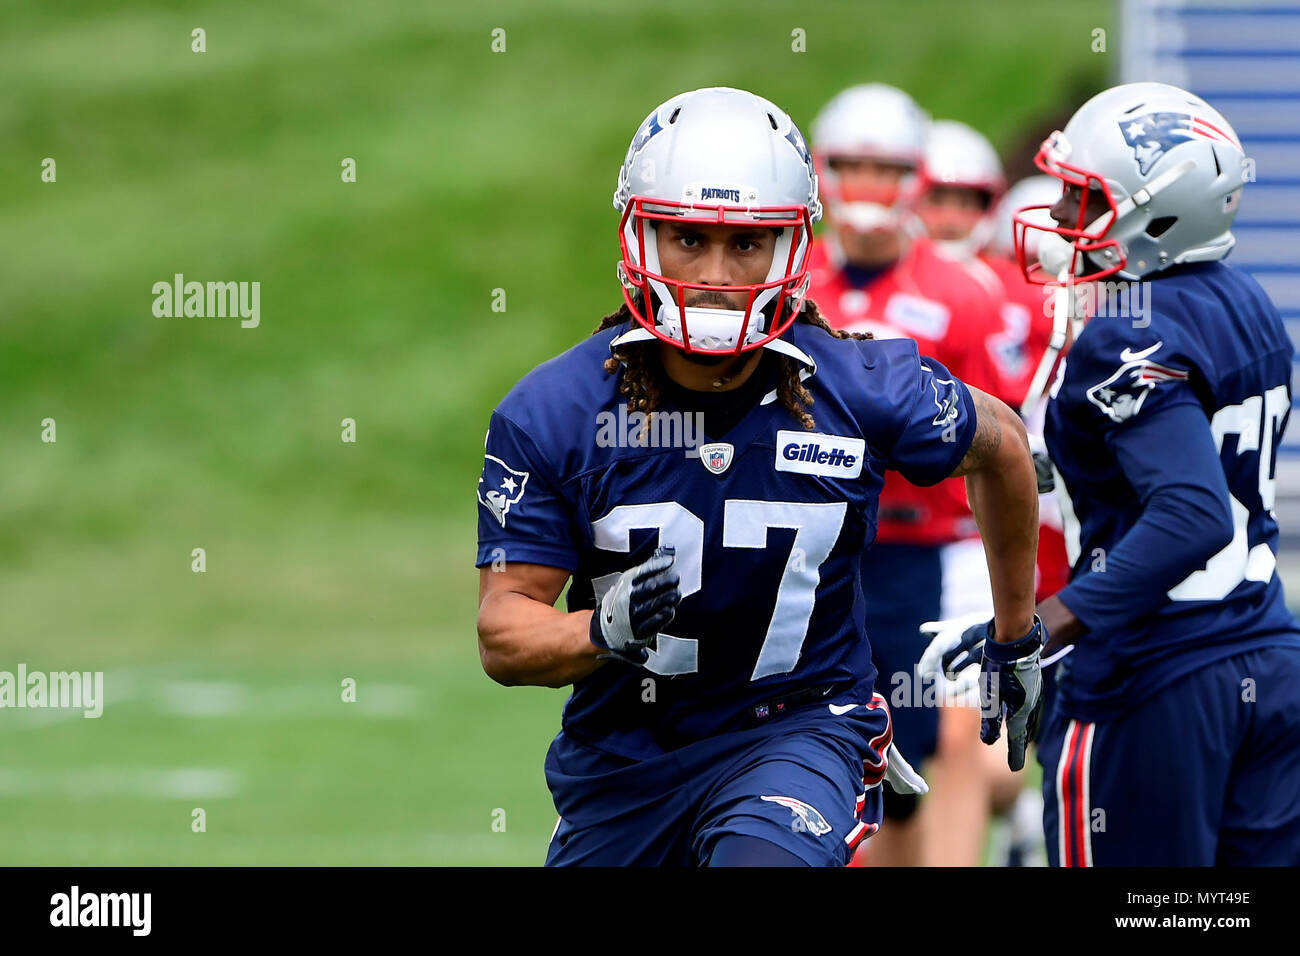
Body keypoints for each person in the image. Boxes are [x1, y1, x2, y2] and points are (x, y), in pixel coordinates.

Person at [474, 86, 1042, 867]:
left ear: (790, 248)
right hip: (626, 762)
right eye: (686, 238)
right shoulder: (557, 410)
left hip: (798, 730)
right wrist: (599, 629)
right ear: (639, 235)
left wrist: (1017, 634)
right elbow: (505, 630)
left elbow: (1005, 444)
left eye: (746, 244)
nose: (714, 272)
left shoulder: (858, 383)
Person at [936, 81, 1300, 865]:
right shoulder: (1244, 300)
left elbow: (1191, 512)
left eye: (1081, 198)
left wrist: (1042, 627)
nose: (1062, 220)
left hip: (1156, 678)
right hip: (1267, 658)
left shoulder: (1124, 334)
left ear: (1159, 216)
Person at [806, 85, 1019, 865]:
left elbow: (1007, 443)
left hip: (934, 544)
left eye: (882, 167)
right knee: (830, 743)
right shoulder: (790, 288)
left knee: (939, 742)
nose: (865, 186)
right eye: (850, 166)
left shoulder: (965, 296)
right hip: (821, 548)